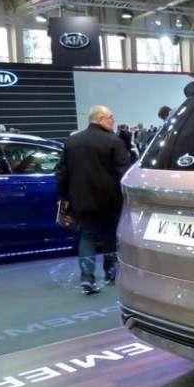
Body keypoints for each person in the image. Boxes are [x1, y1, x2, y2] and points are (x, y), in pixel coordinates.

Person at [55, 106, 131, 295]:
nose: (113, 121)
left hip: (82, 199)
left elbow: (61, 173)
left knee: (87, 236)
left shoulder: (72, 141)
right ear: (101, 118)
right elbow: (124, 172)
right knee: (110, 236)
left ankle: (87, 278)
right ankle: (111, 274)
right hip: (110, 199)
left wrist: (63, 196)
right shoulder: (114, 141)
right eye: (111, 117)